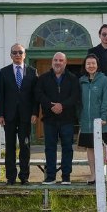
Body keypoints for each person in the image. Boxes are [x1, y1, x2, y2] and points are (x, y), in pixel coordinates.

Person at [0, 43, 39, 185]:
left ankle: (24, 176)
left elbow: (35, 96)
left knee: (25, 146)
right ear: (10, 55)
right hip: (9, 116)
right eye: (14, 53)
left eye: (20, 52)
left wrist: (35, 113)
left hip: (26, 116)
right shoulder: (4, 72)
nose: (17, 55)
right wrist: (0, 114)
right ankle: (11, 177)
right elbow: (0, 95)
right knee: (9, 147)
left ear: (24, 55)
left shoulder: (33, 72)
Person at [35, 52, 80, 185]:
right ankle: (50, 176)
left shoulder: (73, 78)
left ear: (65, 63)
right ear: (52, 62)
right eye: (55, 60)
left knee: (67, 148)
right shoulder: (43, 78)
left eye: (61, 60)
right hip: (49, 119)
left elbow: (75, 96)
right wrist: (50, 105)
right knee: (50, 148)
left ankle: (66, 176)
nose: (58, 62)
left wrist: (62, 105)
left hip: (67, 119)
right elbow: (39, 94)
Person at [78, 53, 107, 184]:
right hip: (86, 122)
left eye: (93, 63)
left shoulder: (104, 80)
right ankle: (93, 174)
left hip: (102, 122)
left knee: (102, 148)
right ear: (85, 66)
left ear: (97, 65)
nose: (91, 66)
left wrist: (103, 116)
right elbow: (78, 102)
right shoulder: (81, 81)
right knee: (90, 149)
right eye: (88, 63)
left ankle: (101, 173)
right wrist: (80, 117)